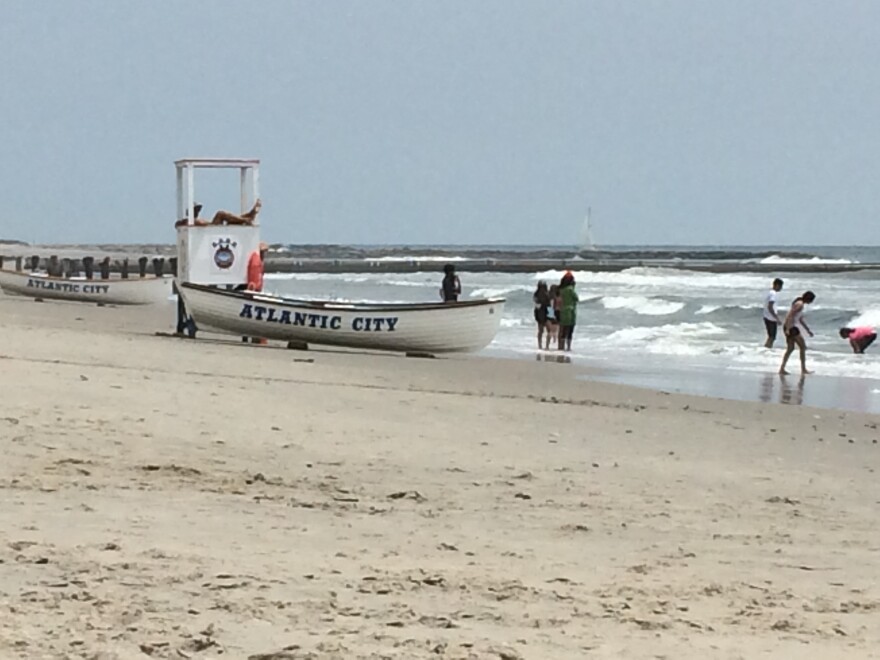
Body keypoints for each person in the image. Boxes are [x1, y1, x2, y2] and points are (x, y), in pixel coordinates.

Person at [779, 291, 816, 375]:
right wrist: (788, 329)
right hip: (791, 328)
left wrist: (808, 330)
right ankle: (803, 369)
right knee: (802, 347)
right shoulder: (800, 304)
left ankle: (782, 368)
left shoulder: (800, 304)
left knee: (791, 349)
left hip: (790, 327)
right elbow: (790, 315)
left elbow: (800, 319)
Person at [558, 271, 579, 352]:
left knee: (563, 329)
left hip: (563, 310)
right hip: (570, 311)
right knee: (570, 330)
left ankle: (561, 346)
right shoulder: (570, 289)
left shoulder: (561, 290)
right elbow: (576, 298)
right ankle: (568, 347)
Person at [763, 278, 784, 348]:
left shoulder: (770, 292)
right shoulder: (773, 294)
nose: (781, 288)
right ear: (777, 285)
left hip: (767, 316)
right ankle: (767, 348)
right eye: (781, 286)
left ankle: (766, 349)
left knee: (771, 336)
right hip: (770, 318)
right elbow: (770, 307)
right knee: (772, 337)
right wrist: (777, 318)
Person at [532, 281, 550, 349]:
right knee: (547, 330)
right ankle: (545, 346)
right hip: (544, 312)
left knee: (541, 330)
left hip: (540, 313)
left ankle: (541, 345)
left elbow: (537, 305)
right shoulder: (547, 294)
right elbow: (549, 305)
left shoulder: (536, 294)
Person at [545, 284, 561, 350]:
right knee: (554, 331)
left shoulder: (548, 297)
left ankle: (547, 346)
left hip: (549, 314)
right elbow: (552, 307)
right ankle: (550, 346)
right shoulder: (554, 298)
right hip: (554, 314)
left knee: (550, 331)